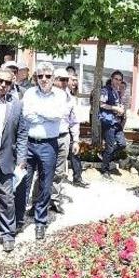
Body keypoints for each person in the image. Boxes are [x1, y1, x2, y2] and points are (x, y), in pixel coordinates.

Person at [17, 62, 63, 240]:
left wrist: (40, 113)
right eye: (40, 76)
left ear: (53, 78)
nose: (44, 79)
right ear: (36, 78)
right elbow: (27, 114)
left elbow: (57, 115)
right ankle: (18, 220)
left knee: (45, 184)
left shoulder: (60, 95)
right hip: (28, 144)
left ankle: (40, 222)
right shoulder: (29, 93)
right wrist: (46, 115)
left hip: (48, 145)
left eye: (47, 76)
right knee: (23, 183)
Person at [0, 68, 23, 252]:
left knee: (6, 197)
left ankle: (8, 233)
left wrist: (22, 158)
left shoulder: (16, 104)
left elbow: (22, 132)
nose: (3, 85)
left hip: (5, 156)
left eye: (7, 83)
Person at [47, 67, 77, 212]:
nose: (64, 82)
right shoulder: (46, 95)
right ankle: (38, 201)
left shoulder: (70, 99)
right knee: (44, 171)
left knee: (59, 172)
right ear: (54, 80)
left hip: (63, 136)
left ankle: (54, 200)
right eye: (61, 79)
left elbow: (74, 121)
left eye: (67, 80)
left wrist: (75, 140)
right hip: (47, 138)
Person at [97, 71, 129, 176]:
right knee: (110, 147)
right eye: (116, 79)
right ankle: (105, 170)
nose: (118, 81)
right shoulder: (105, 90)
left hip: (116, 122)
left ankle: (104, 155)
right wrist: (114, 108)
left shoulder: (117, 92)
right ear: (111, 78)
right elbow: (102, 104)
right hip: (108, 121)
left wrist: (121, 111)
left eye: (120, 80)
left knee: (122, 144)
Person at [66, 67, 88, 188]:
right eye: (72, 79)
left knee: (75, 152)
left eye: (76, 80)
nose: (75, 83)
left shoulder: (72, 95)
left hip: (70, 128)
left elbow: (74, 118)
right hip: (61, 130)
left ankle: (77, 178)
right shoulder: (62, 94)